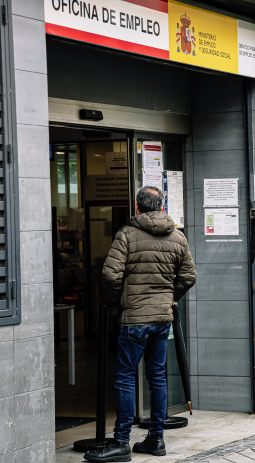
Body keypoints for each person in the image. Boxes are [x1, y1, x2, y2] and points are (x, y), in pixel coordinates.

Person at [85, 186, 196, 463]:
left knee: (125, 377)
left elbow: (110, 276)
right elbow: (189, 276)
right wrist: (169, 297)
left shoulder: (126, 234)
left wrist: (115, 303)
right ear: (161, 205)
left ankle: (122, 441)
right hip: (161, 320)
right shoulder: (177, 237)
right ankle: (155, 438)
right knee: (157, 376)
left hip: (134, 319)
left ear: (137, 207)